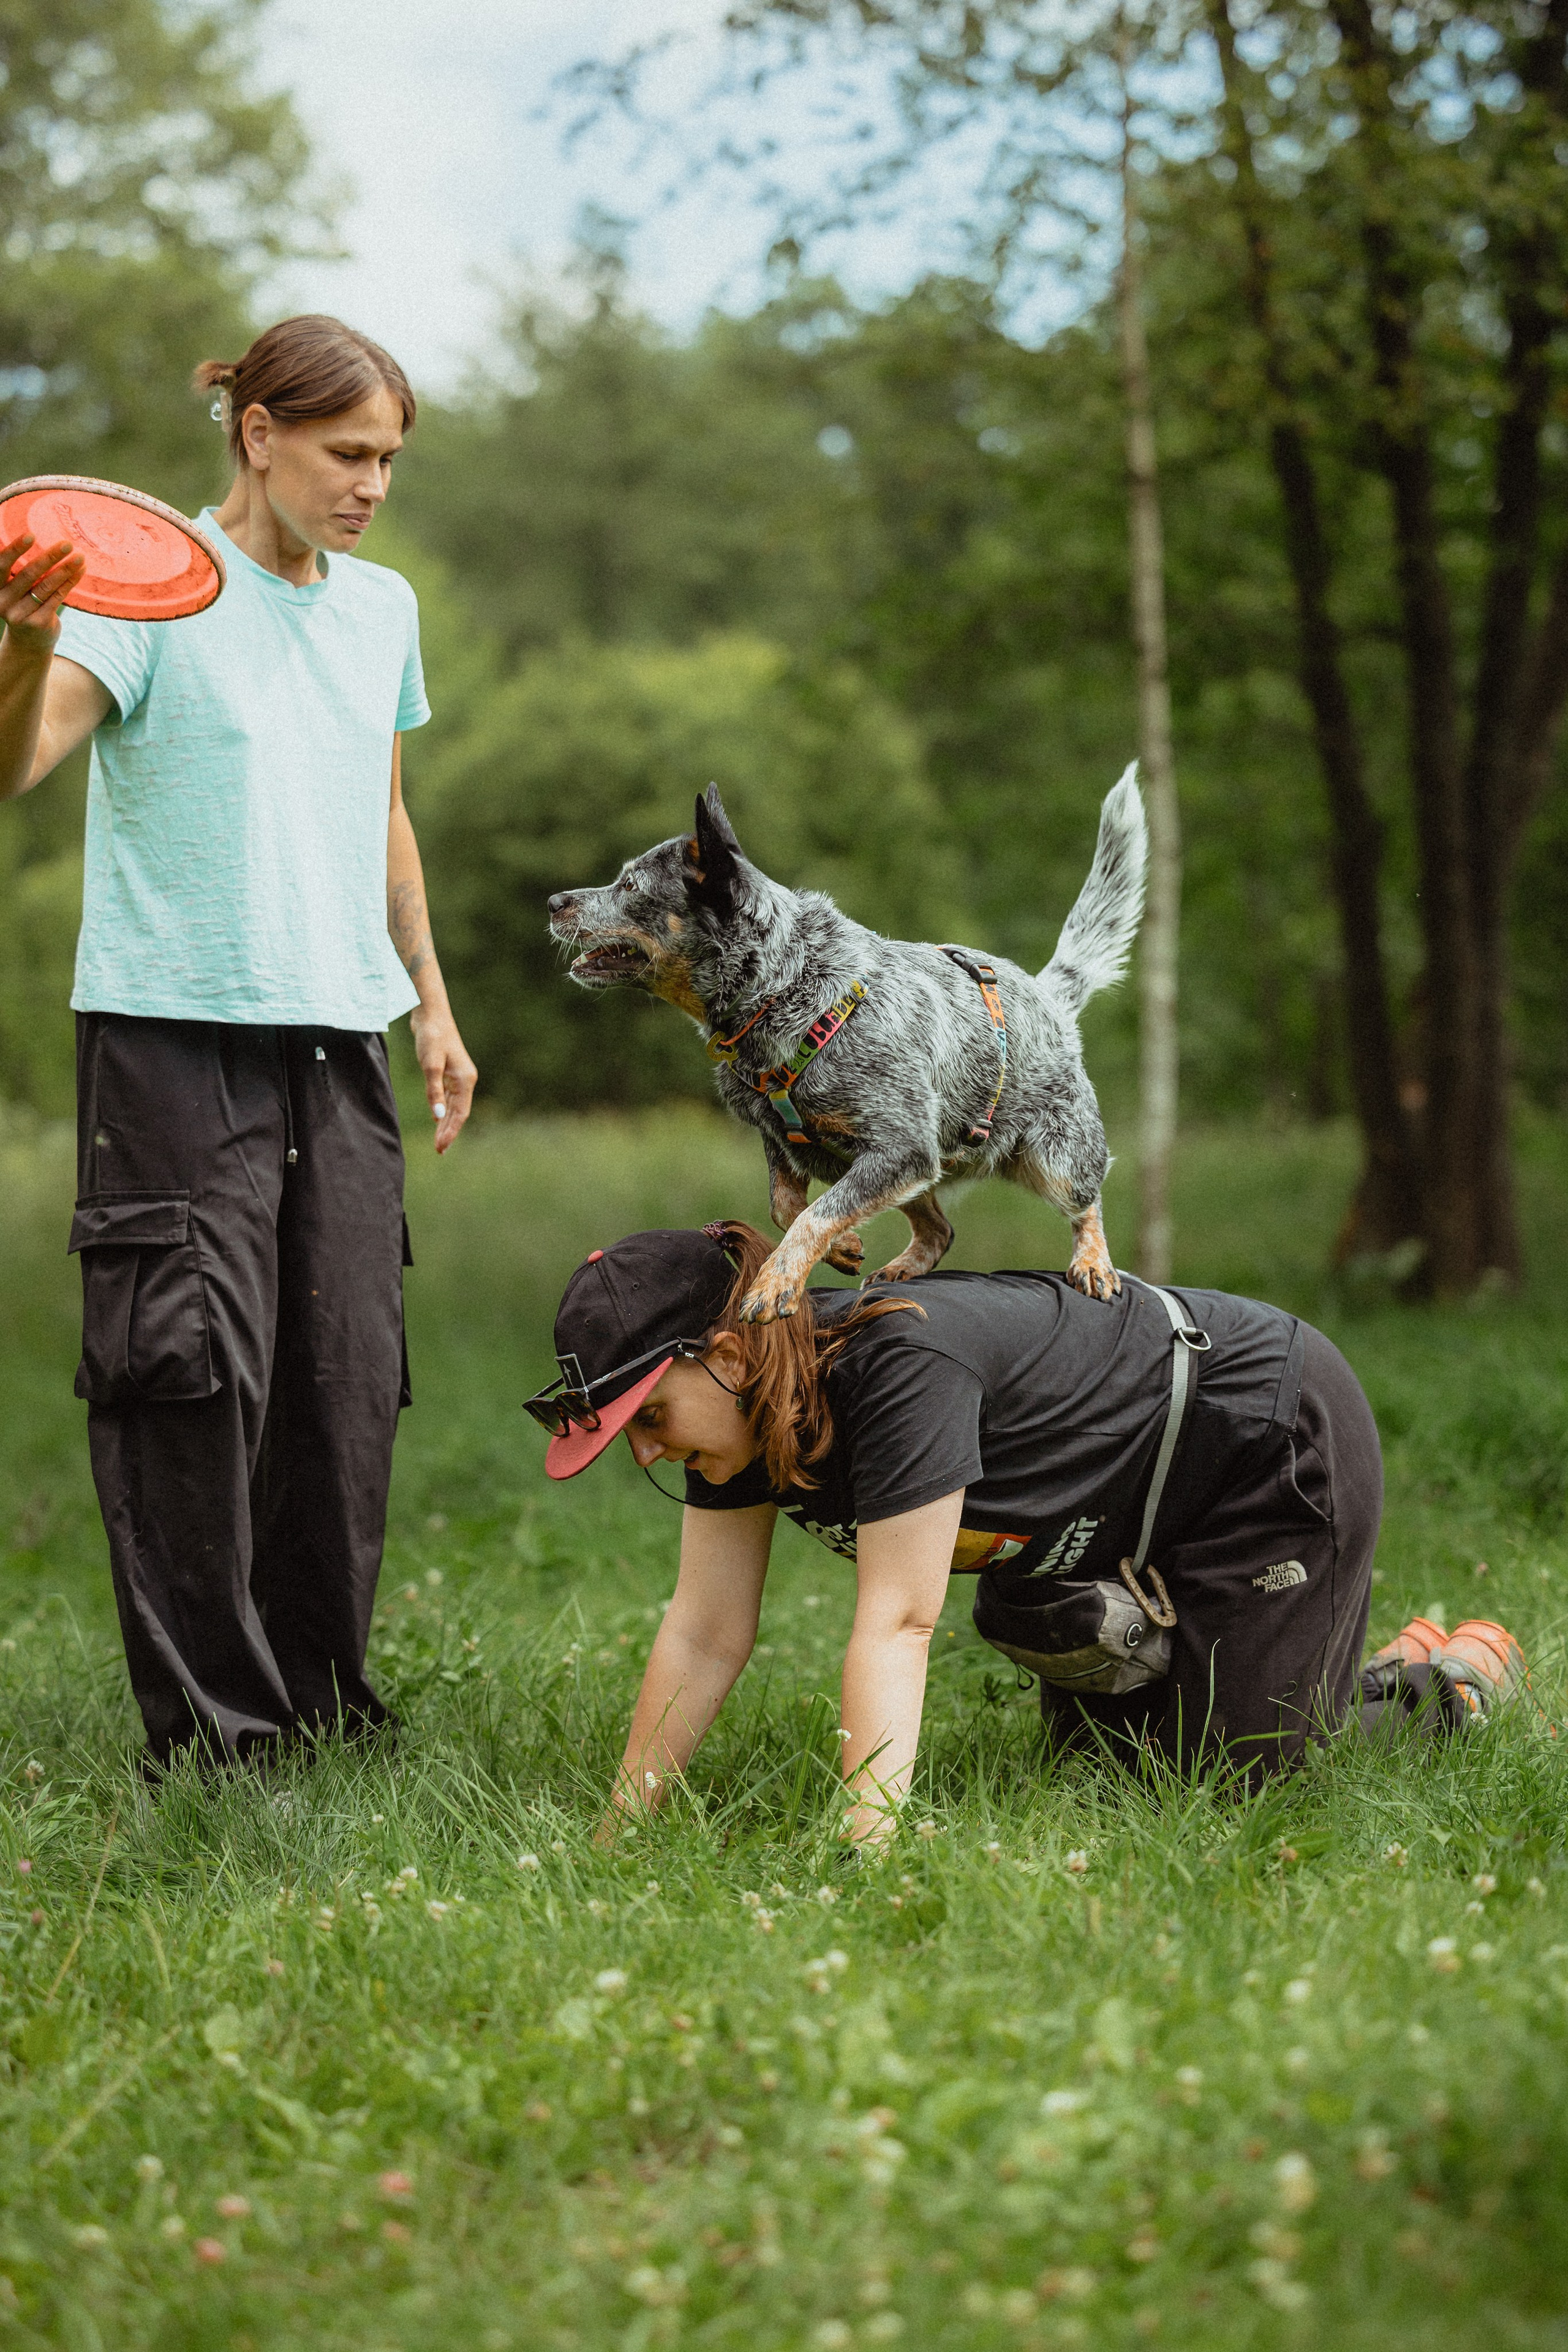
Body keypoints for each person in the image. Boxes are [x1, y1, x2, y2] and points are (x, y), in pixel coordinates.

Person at [0, 314, 477, 1768]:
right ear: (256, 432)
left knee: (341, 1390)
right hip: (170, 1039)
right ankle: (220, 1739)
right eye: (346, 452)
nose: (370, 484)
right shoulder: (142, 602)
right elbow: (13, 763)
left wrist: (434, 1001)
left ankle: (325, 1709)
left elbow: (375, 805)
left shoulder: (380, 607)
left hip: (341, 1044)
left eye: (389, 458)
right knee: (190, 1386)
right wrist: (23, 644)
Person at [527, 1221, 1528, 1842]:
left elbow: (902, 1623)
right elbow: (706, 1633)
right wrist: (619, 1834)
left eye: (648, 1418)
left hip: (1263, 1436)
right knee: (1112, 1786)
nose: (646, 1453)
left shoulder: (900, 1367)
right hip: (1111, 1522)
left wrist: (864, 1856)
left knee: (1241, 1786)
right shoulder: (743, 1429)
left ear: (733, 1350)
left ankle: (1443, 1690)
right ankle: (1330, 1665)